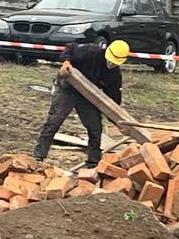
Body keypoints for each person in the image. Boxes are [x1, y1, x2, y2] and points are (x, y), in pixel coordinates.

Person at [33, 39, 130, 168]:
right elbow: (70, 47)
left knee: (95, 128)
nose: (111, 63)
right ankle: (38, 157)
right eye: (111, 60)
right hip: (67, 89)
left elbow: (112, 101)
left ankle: (93, 164)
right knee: (54, 122)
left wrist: (118, 123)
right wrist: (66, 63)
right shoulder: (90, 52)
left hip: (87, 96)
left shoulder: (114, 75)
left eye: (115, 62)